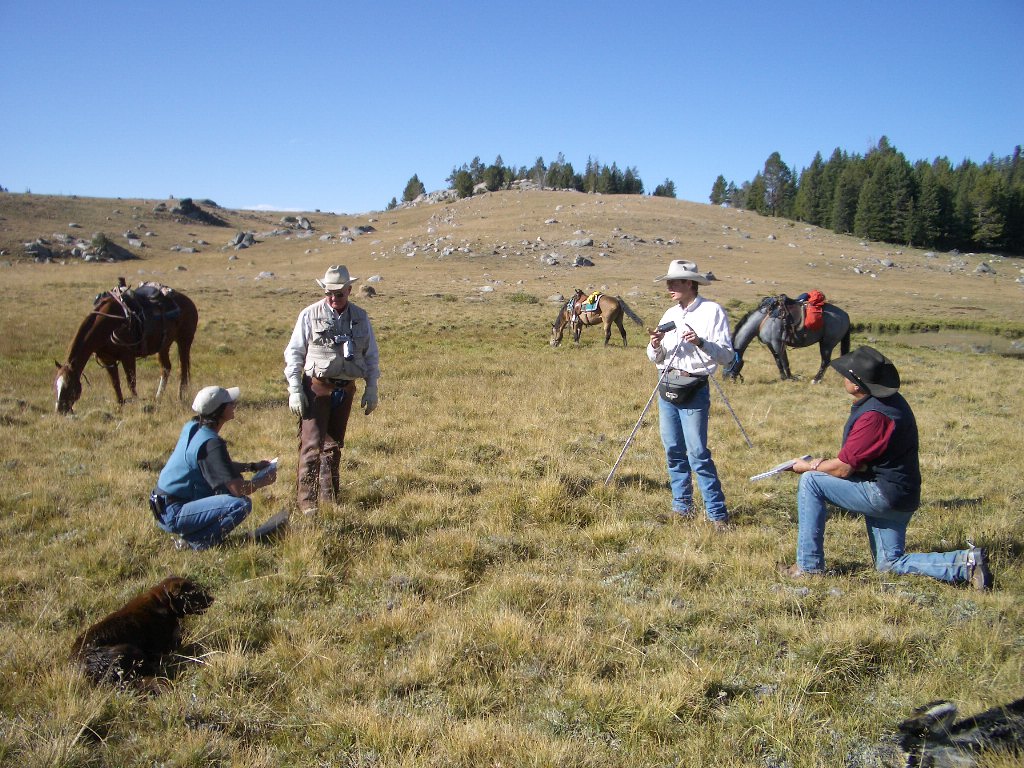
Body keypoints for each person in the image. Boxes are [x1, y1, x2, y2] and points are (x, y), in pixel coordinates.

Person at [778, 345, 993, 590]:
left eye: (845, 375)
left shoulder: (874, 416)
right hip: (901, 495)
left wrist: (808, 466)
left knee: (811, 482)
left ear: (857, 385)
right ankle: (964, 563)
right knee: (889, 564)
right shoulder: (889, 402)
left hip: (884, 494)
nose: (841, 379)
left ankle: (808, 567)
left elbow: (844, 469)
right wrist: (819, 463)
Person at [284, 265, 380, 514]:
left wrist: (372, 388)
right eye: (330, 293)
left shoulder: (361, 317)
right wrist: (295, 388)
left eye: (339, 294)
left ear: (349, 290)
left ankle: (329, 498)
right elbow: (294, 352)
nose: (334, 299)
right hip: (317, 387)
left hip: (346, 388)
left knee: (334, 445)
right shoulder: (309, 314)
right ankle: (307, 502)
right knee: (311, 445)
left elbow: (371, 355)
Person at [647, 259, 735, 528]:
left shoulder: (712, 312)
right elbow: (657, 358)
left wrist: (700, 342)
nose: (669, 286)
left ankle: (717, 514)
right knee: (673, 449)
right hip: (668, 385)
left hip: (694, 388)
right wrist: (655, 346)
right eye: (668, 282)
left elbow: (727, 356)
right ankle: (681, 506)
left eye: (674, 282)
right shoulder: (669, 314)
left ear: (690, 283)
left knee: (697, 452)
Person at [152, 386, 279, 550]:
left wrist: (252, 466)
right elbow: (238, 490)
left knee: (225, 492)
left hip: (164, 506)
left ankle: (192, 535)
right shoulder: (212, 444)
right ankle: (197, 542)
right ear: (219, 410)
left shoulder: (193, 427)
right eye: (229, 403)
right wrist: (263, 481)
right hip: (174, 512)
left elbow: (217, 466)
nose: (234, 404)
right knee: (240, 504)